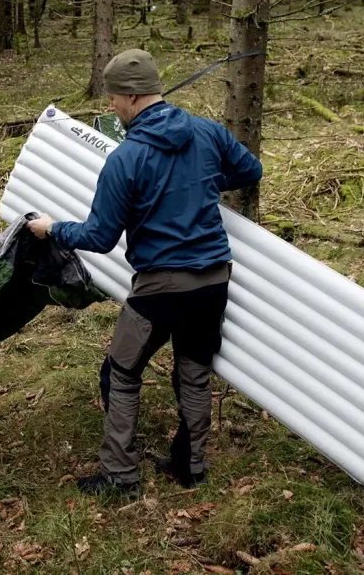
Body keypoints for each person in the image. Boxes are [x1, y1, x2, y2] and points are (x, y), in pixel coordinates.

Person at [27, 49, 263, 496]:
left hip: (161, 289)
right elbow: (250, 169)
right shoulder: (208, 132)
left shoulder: (127, 158)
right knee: (193, 372)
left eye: (114, 98)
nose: (111, 107)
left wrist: (51, 228)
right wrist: (205, 181)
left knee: (120, 372)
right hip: (214, 280)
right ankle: (189, 466)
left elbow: (98, 236)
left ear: (132, 97)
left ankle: (119, 476)